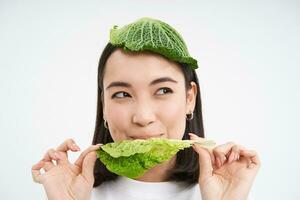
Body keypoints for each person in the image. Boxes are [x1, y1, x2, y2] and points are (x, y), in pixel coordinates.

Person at [31, 17, 260, 200]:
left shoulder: (223, 192)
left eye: (163, 91)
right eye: (122, 94)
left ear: (189, 98)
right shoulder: (77, 193)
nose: (143, 117)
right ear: (104, 106)